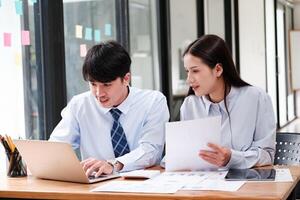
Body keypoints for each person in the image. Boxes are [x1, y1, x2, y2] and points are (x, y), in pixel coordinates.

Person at [50, 41, 169, 177]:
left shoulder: (153, 102)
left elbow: (150, 150)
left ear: (126, 79)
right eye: (93, 84)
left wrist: (113, 165)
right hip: (96, 187)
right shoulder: (80, 105)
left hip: (144, 185)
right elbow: (56, 148)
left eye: (106, 84)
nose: (99, 93)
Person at [181, 34, 276, 169]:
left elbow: (267, 155)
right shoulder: (190, 105)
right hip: (201, 185)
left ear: (218, 69)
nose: (189, 79)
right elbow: (184, 153)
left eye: (195, 71)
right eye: (187, 72)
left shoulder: (257, 98)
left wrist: (232, 158)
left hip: (247, 186)